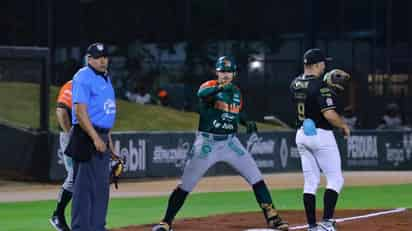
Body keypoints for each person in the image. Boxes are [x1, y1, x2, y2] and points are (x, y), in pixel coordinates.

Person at [152, 56, 289, 231]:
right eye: (222, 71)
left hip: (230, 143)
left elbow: (236, 113)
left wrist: (248, 123)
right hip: (207, 143)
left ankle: (273, 218)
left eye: (229, 71)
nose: (225, 75)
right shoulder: (209, 86)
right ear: (217, 72)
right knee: (186, 185)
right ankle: (166, 221)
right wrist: (220, 87)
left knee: (256, 178)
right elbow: (201, 95)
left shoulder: (237, 92)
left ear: (234, 74)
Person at [290, 48, 350, 231]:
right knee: (335, 179)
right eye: (323, 62)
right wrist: (344, 126)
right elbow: (330, 114)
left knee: (311, 181)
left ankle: (311, 226)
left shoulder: (294, 83)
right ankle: (326, 222)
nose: (325, 65)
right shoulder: (320, 86)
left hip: (302, 134)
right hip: (320, 134)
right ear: (316, 64)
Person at [65, 42, 117, 231]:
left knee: (101, 188)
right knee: (83, 189)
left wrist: (108, 139)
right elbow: (80, 112)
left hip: (101, 134)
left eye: (105, 57)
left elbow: (105, 111)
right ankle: (80, 228)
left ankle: (97, 227)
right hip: (86, 136)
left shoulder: (105, 77)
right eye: (98, 57)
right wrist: (95, 137)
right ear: (89, 59)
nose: (103, 61)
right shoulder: (82, 77)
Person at [49, 80, 73, 231]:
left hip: (87, 137)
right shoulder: (75, 83)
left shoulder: (97, 85)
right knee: (75, 175)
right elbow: (61, 109)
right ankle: (57, 214)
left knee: (82, 179)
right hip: (72, 136)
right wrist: (70, 134)